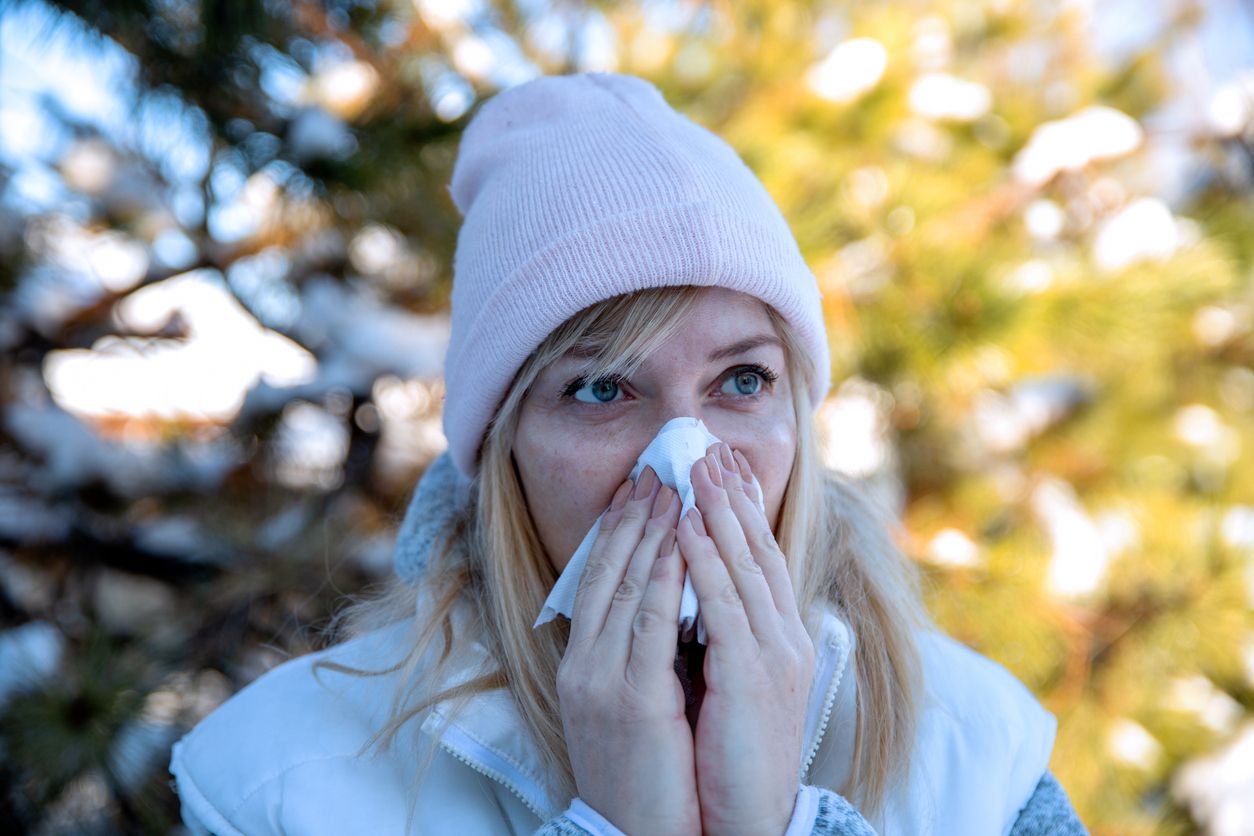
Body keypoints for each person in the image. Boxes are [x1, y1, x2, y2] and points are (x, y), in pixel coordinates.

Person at [170, 73, 1087, 835]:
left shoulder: (974, 754)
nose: (684, 464)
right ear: (503, 445)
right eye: (602, 388)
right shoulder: (279, 782)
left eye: (743, 380)